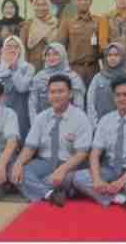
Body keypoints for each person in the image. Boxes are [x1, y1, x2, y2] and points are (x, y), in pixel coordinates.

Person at [73, 76, 126, 211]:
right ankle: (123, 199)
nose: (121, 99)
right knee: (78, 177)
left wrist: (123, 180)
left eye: (125, 94)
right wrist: (97, 179)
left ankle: (111, 193)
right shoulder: (105, 120)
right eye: (118, 95)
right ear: (113, 97)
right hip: (109, 170)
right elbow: (94, 154)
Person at [11, 74, 93, 206]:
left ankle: (42, 188)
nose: (56, 96)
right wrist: (19, 164)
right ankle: (49, 194)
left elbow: (81, 154)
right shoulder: (41, 117)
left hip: (69, 164)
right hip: (45, 163)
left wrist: (62, 170)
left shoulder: (80, 118)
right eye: (52, 92)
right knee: (16, 171)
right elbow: (30, 147)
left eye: (61, 91)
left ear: (70, 94)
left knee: (72, 178)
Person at [0, 36, 35, 140]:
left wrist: (13, 69)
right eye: (8, 46)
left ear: (21, 50)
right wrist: (6, 67)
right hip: (0, 112)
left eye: (16, 47)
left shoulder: (28, 68)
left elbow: (22, 87)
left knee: (18, 140)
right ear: (3, 50)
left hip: (21, 112)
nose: (12, 49)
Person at [29, 43, 86, 123]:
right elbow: (32, 103)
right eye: (48, 55)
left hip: (68, 121)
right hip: (44, 122)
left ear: (62, 55)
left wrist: (74, 123)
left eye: (56, 54)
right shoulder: (39, 77)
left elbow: (79, 104)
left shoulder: (73, 77)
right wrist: (35, 123)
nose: (51, 57)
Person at [59, 0, 101, 88]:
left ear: (91, 1)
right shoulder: (67, 22)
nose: (83, 2)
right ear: (74, 2)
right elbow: (60, 47)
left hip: (93, 69)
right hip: (74, 70)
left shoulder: (98, 21)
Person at [86, 43, 126, 126]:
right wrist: (95, 125)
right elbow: (90, 102)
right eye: (109, 55)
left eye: (116, 55)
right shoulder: (98, 78)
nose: (112, 58)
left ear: (122, 57)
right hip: (100, 125)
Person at [19, 0, 60, 71]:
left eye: (44, 5)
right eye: (37, 5)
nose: (40, 8)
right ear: (34, 7)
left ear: (49, 6)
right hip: (33, 67)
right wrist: (25, 68)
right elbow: (22, 49)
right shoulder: (28, 24)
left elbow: (60, 47)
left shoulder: (57, 23)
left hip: (53, 66)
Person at [0, 0, 25, 66]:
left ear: (16, 9)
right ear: (2, 9)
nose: (8, 10)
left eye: (11, 7)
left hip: (18, 63)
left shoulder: (23, 25)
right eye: (6, 8)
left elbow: (24, 46)